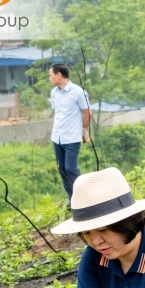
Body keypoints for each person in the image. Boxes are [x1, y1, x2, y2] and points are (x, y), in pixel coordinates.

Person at [48, 63, 90, 202]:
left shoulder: (78, 92)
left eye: (51, 75)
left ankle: (84, 197)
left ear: (59, 75)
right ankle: (72, 199)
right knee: (62, 169)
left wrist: (84, 131)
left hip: (72, 138)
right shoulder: (54, 93)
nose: (50, 78)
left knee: (70, 169)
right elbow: (59, 113)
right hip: (57, 137)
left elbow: (87, 113)